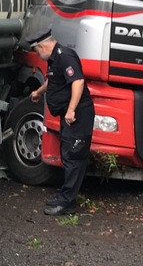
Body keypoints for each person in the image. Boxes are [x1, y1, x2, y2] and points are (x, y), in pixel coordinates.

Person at [27, 30, 94, 215]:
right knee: (67, 155)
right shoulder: (54, 59)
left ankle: (67, 203)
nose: (37, 55)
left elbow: (78, 82)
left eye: (36, 51)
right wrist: (38, 92)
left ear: (42, 46)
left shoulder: (66, 56)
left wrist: (72, 109)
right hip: (67, 115)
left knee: (74, 157)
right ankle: (65, 195)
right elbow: (53, 80)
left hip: (77, 115)